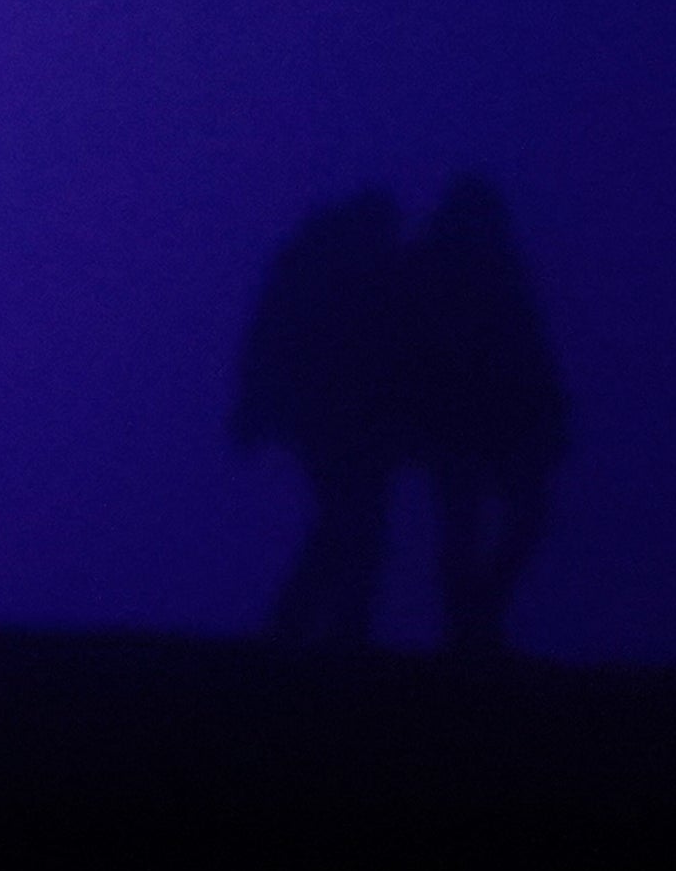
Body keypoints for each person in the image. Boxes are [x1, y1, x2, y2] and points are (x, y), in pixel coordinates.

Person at [229, 184, 407, 649]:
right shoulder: (369, 272)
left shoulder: (310, 263)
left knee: (347, 519)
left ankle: (314, 624)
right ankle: (330, 625)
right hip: (351, 417)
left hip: (322, 417)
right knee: (356, 521)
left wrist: (257, 407)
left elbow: (266, 338)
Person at [404, 175, 566, 659]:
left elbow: (527, 345)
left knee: (477, 520)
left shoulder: (461, 264)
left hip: (477, 418)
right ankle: (471, 627)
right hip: (467, 418)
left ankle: (472, 623)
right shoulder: (464, 266)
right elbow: (525, 345)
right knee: (476, 520)